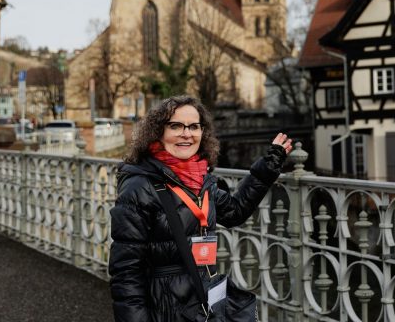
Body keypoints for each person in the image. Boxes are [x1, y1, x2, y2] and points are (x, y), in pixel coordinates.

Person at [108, 95, 292, 321]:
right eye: (176, 126)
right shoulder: (139, 187)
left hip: (201, 298)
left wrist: (268, 166)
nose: (187, 134)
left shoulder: (200, 180)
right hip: (165, 309)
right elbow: (126, 272)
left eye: (194, 126)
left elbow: (234, 212)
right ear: (158, 132)